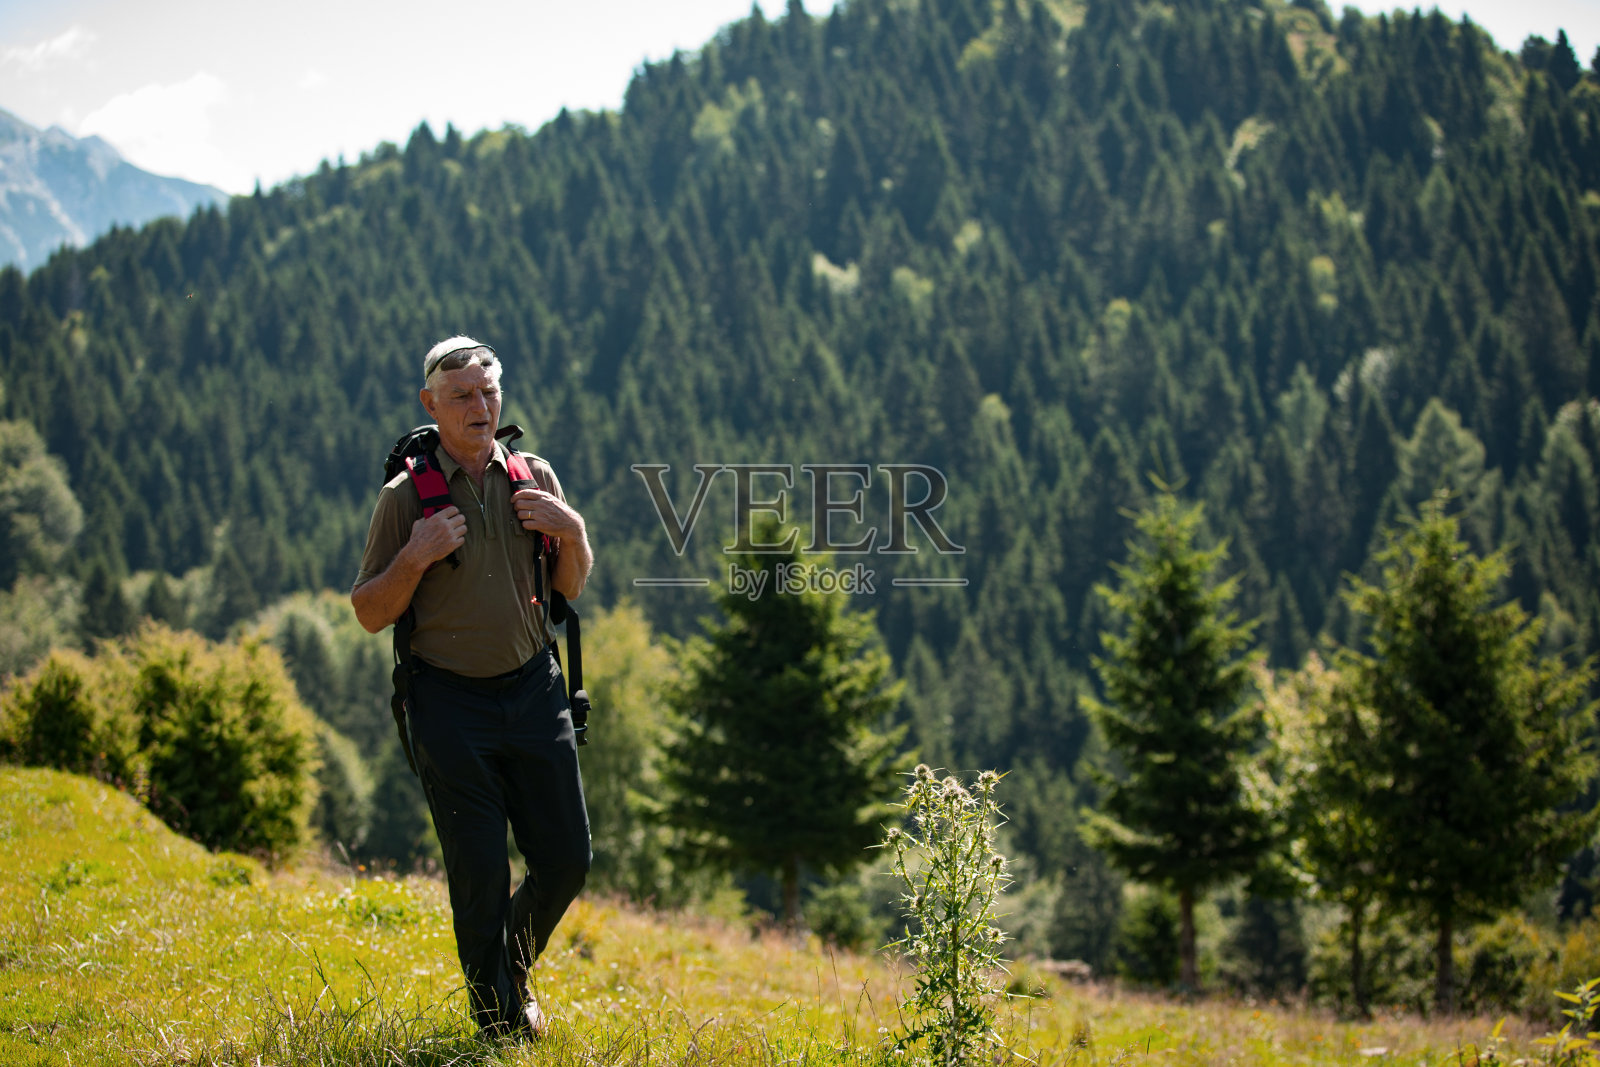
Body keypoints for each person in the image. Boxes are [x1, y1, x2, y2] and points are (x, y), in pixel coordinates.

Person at [351, 336, 593, 1038]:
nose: (479, 405)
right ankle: (498, 1025)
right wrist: (416, 554)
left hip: (533, 690)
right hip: (449, 703)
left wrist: (571, 529)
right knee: (480, 870)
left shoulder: (533, 475)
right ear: (431, 404)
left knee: (567, 858)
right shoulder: (404, 498)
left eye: (488, 391)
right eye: (461, 394)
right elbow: (369, 611)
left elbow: (566, 589)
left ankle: (508, 974)